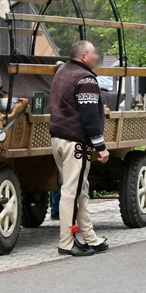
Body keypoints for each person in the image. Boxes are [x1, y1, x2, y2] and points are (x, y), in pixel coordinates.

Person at [50, 40, 110, 257]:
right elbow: (89, 117)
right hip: (76, 142)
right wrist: (101, 146)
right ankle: (66, 242)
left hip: (58, 139)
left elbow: (61, 68)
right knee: (71, 193)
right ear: (84, 56)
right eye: (94, 52)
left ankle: (90, 237)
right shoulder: (86, 80)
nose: (97, 56)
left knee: (78, 191)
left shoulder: (63, 71)